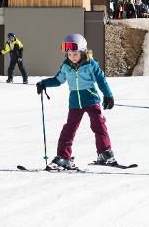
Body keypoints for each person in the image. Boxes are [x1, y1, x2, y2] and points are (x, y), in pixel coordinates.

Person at [35, 33, 117, 170]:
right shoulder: (66, 66)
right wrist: (44, 83)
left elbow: (101, 80)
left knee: (98, 125)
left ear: (83, 52)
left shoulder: (91, 64)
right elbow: (58, 80)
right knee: (69, 129)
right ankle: (63, 158)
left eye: (75, 54)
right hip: (74, 103)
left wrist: (108, 95)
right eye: (69, 54)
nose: (72, 57)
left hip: (91, 100)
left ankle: (105, 153)